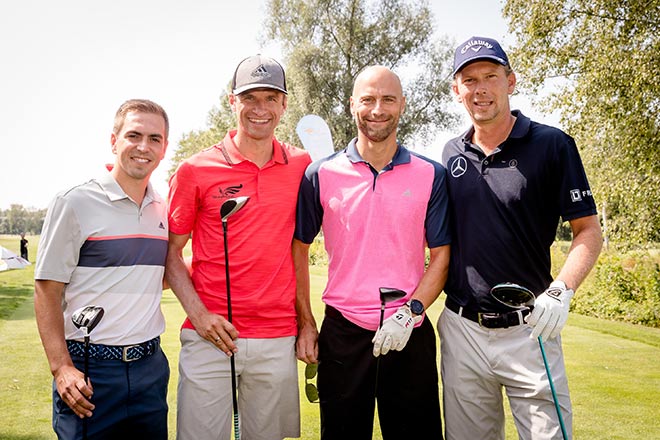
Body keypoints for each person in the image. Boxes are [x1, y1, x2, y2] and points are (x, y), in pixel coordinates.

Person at [438, 36, 603, 440]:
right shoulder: (449, 155)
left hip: (530, 329)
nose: (480, 89)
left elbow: (589, 230)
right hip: (463, 330)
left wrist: (562, 289)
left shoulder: (552, 145)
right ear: (457, 91)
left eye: (491, 76)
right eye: (469, 79)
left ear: (510, 81)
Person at [293, 65, 451, 439]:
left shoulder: (432, 173)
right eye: (368, 99)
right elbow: (298, 250)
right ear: (352, 105)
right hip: (343, 335)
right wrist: (305, 321)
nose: (377, 109)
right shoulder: (320, 174)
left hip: (408, 330)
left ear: (402, 105)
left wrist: (410, 313)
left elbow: (441, 256)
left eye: (388, 99)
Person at [166, 55, 311, 440]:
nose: (259, 109)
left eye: (270, 98)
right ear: (233, 102)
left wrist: (307, 322)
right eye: (250, 98)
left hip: (278, 337)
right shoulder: (195, 169)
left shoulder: (302, 166)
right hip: (209, 335)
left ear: (284, 105)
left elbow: (300, 249)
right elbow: (171, 253)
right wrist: (198, 315)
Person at [34, 99, 171, 439]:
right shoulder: (74, 202)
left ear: (165, 147)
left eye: (155, 138)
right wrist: (61, 367)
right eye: (133, 135)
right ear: (114, 141)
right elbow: (46, 290)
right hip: (91, 368)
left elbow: (153, 275)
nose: (144, 146)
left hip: (150, 367)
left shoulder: (162, 208)